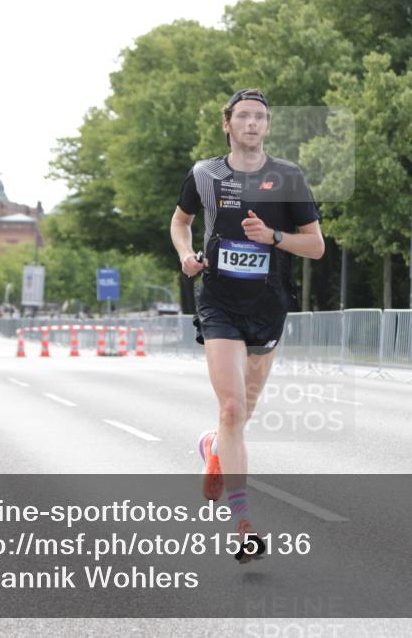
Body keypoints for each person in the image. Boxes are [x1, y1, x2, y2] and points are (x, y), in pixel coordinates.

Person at [170, 88, 324, 563]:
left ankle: (213, 446)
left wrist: (273, 237)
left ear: (268, 126)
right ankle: (242, 525)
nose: (252, 123)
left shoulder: (288, 177)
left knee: (243, 413)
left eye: (260, 117)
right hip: (218, 302)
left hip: (268, 305)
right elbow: (180, 222)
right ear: (228, 124)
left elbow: (316, 246)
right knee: (233, 407)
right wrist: (187, 256)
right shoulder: (205, 174)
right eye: (243, 116)